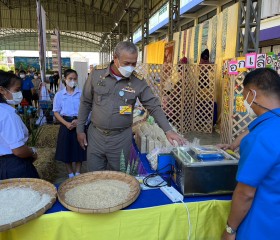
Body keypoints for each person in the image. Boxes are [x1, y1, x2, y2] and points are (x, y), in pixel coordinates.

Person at [77, 41, 185, 172]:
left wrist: (168, 130)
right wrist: (80, 129)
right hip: (96, 136)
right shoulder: (97, 74)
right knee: (94, 176)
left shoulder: (138, 82)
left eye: (133, 63)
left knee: (118, 179)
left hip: (120, 139)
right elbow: (85, 102)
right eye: (126, 63)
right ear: (115, 58)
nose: (130, 67)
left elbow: (154, 106)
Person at [221, 68, 280, 240]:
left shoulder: (260, 139)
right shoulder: (265, 129)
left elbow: (245, 193)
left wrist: (230, 230)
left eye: (244, 95)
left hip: (263, 226)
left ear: (252, 94)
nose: (245, 100)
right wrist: (235, 144)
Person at [0, 70, 39, 179]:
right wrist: (32, 152)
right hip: (14, 166)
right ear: (2, 90)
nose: (19, 94)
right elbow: (18, 150)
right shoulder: (8, 114)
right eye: (16, 90)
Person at [53, 69, 86, 178]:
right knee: (65, 150)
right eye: (70, 78)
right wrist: (66, 124)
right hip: (65, 123)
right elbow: (56, 112)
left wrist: (79, 121)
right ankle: (70, 174)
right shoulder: (59, 95)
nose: (72, 81)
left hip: (79, 123)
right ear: (65, 79)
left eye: (75, 79)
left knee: (79, 149)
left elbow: (87, 110)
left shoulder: (82, 94)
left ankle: (77, 173)